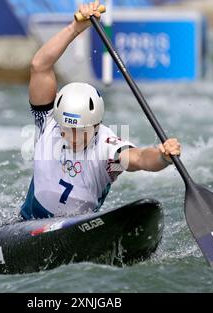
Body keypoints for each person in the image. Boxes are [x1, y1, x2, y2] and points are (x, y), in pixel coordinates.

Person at [20, 1, 181, 220]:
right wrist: (74, 28)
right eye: (67, 128)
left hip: (77, 227)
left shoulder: (108, 147)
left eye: (82, 129)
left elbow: (140, 159)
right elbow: (40, 65)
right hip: (27, 223)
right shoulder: (48, 119)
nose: (73, 136)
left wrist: (162, 156)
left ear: (96, 125)